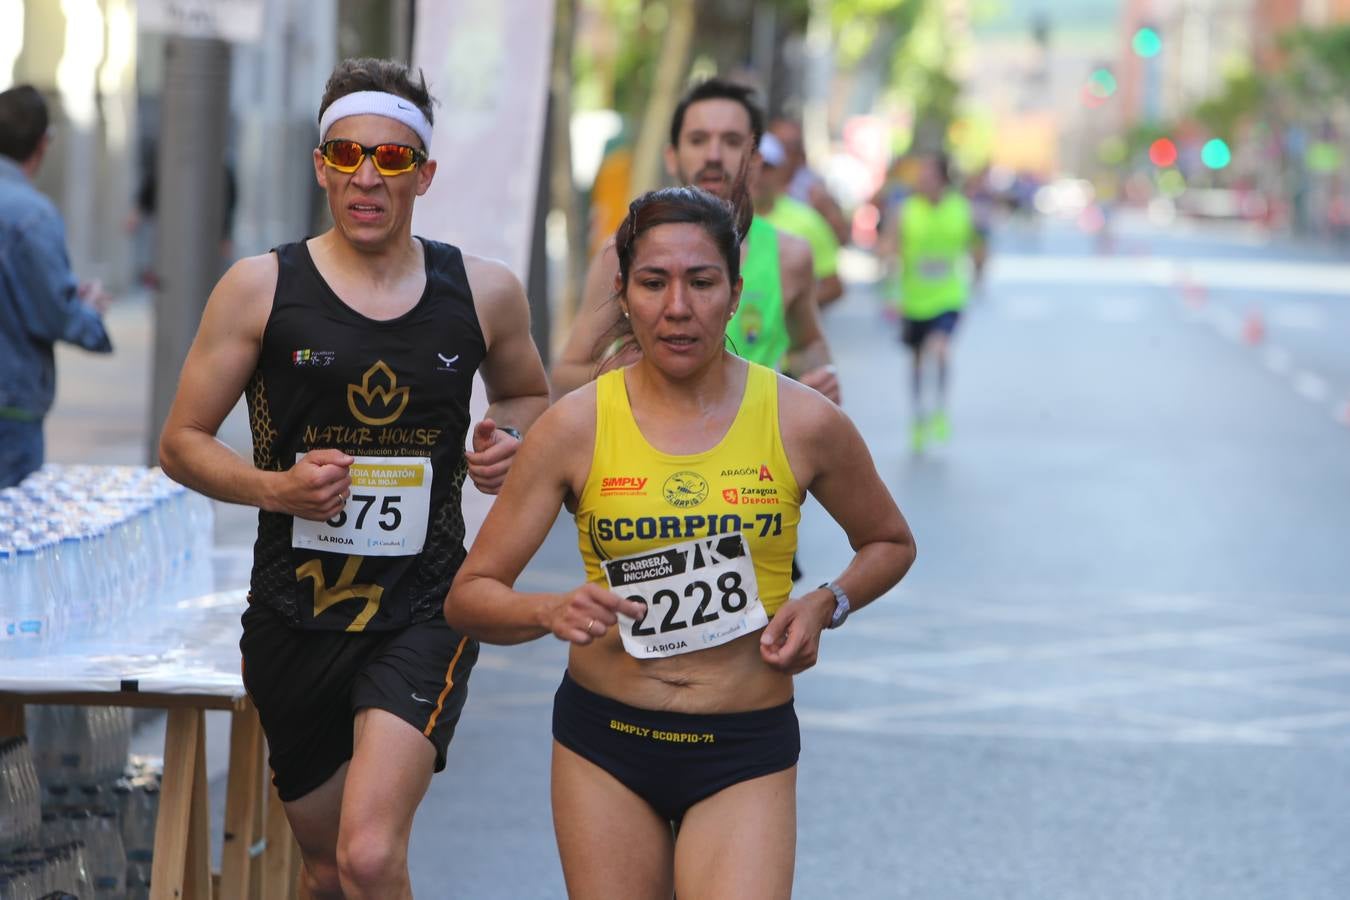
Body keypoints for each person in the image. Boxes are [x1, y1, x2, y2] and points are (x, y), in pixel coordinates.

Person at [445, 183, 915, 899]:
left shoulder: (803, 421)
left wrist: (828, 602)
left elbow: (888, 541)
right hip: (604, 744)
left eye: (701, 282)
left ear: (734, 294)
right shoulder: (574, 426)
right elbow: (470, 597)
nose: (677, 307)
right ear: (623, 296)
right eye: (654, 282)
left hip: (744, 748)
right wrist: (549, 612)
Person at [157, 58, 550, 899]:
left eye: (393, 159)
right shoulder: (260, 289)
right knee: (330, 870)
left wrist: (506, 438)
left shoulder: (484, 293)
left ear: (425, 175)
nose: (367, 176)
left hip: (426, 605)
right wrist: (277, 489)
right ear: (320, 166)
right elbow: (181, 441)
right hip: (294, 615)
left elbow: (527, 393)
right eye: (346, 155)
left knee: (371, 854)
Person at [550, 78, 839, 406]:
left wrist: (820, 375)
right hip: (644, 451)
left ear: (756, 160)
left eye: (731, 141)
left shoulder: (790, 255)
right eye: (698, 140)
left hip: (753, 454)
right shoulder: (623, 250)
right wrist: (623, 371)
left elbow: (808, 346)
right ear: (672, 156)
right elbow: (564, 376)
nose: (714, 155)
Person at [0, 84, 114, 488]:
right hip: (10, 408)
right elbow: (55, 313)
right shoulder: (32, 215)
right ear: (43, 144)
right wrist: (89, 311)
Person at [879, 152, 983, 453]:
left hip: (949, 295)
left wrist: (977, 275)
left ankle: (939, 408)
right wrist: (889, 290)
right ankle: (918, 416)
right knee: (915, 361)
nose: (922, 180)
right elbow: (890, 246)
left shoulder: (961, 209)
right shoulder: (906, 211)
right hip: (913, 299)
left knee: (939, 349)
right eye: (920, 175)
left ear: (942, 179)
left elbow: (976, 243)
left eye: (928, 174)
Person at [755, 132, 843, 308]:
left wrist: (789, 308)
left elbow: (833, 287)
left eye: (766, 167)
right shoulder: (725, 220)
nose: (758, 174)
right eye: (751, 165)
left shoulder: (808, 221)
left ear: (782, 171)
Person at [769, 117, 852, 246]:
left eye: (790, 147)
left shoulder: (813, 188)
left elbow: (843, 236)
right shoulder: (752, 181)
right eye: (775, 145)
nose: (780, 153)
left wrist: (827, 211)